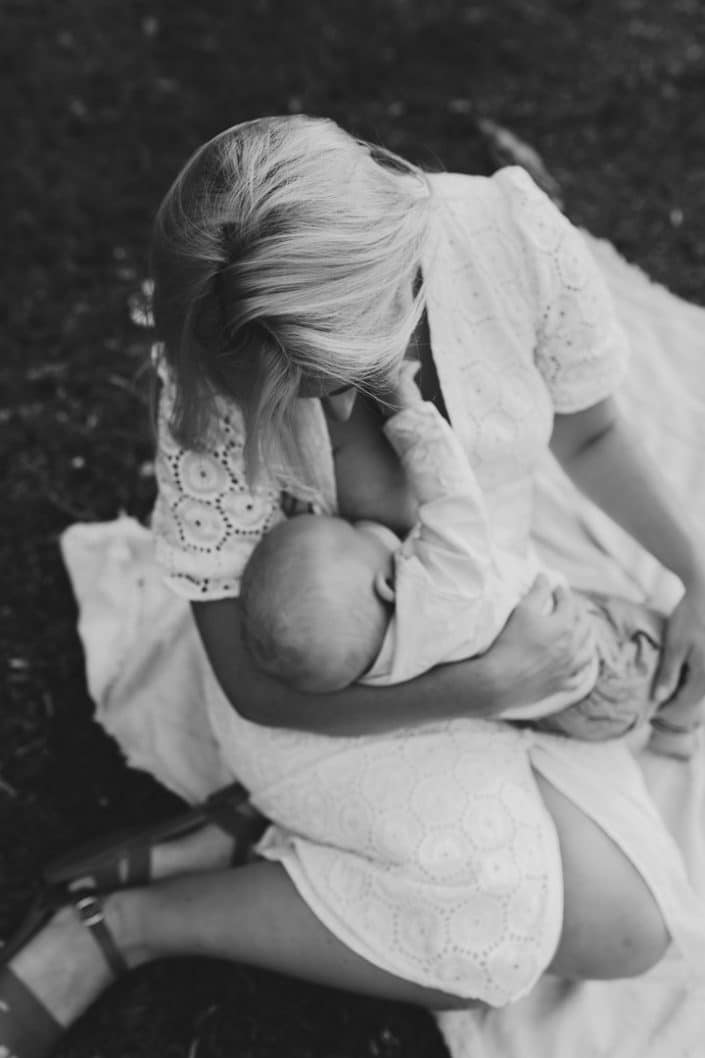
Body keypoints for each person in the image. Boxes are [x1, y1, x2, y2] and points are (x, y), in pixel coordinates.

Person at [3, 115, 705, 1058]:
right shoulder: (224, 351)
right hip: (320, 693)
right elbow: (259, 683)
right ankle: (129, 927)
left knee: (633, 933)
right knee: (509, 924)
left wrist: (697, 577)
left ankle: (250, 838)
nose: (314, 407)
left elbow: (590, 434)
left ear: (402, 284)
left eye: (325, 381)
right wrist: (485, 687)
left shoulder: (505, 236)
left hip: (482, 622)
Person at [240, 358, 686, 753]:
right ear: (390, 584)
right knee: (650, 633)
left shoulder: (369, 667)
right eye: (352, 530)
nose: (350, 521)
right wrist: (406, 410)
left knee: (621, 695)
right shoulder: (441, 587)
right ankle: (679, 722)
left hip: (555, 703)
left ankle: (660, 721)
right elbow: (453, 497)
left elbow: (317, 600)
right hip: (593, 664)